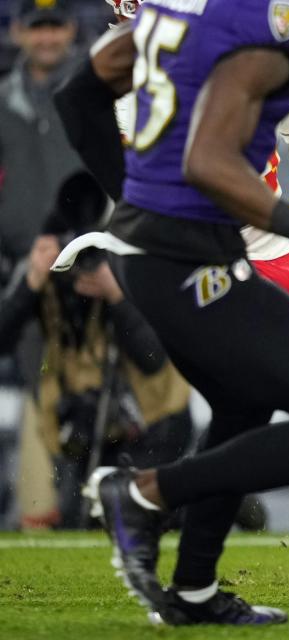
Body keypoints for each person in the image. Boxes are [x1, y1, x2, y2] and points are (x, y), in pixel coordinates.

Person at [59, 0, 289, 585]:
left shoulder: (186, 37)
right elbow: (210, 168)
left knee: (262, 406)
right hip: (214, 256)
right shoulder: (180, 51)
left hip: (245, 250)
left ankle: (199, 572)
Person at [0, 172, 192, 529]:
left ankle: (216, 501)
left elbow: (154, 359)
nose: (81, 263)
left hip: (152, 417)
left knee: (153, 517)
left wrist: (117, 296)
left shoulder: (136, 258)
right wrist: (31, 286)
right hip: (85, 418)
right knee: (82, 518)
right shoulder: (46, 265)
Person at [0, 0, 84, 265]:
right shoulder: (2, 99)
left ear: (71, 29)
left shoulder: (95, 95)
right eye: (37, 27)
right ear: (17, 30)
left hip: (86, 257)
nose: (46, 38)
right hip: (14, 261)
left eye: (55, 26)